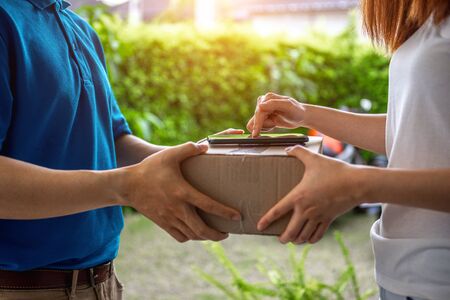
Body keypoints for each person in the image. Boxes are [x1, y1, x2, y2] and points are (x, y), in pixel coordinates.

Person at [0, 0, 242, 299]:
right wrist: (126, 186)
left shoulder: (80, 29)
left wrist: (194, 157)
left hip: (103, 282)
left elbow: (113, 139)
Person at [247, 0, 450, 299]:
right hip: (402, 270)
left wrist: (357, 184)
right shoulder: (430, 23)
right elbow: (414, 131)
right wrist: (304, 114)